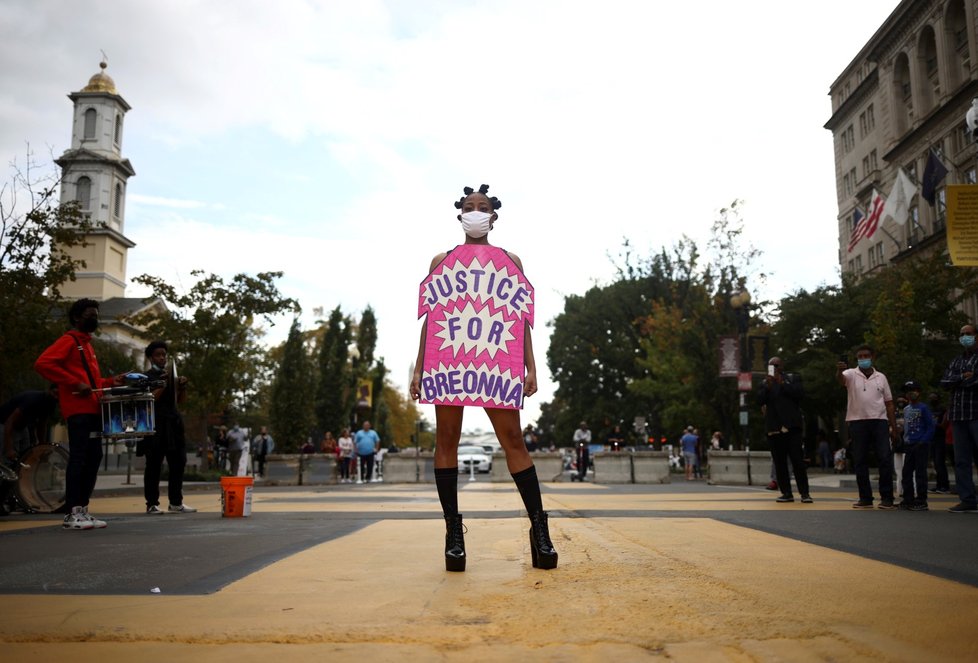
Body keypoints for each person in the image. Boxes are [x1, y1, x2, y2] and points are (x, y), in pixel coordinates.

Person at [410, 184, 556, 572]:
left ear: (494, 216)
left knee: (513, 440)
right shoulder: (442, 260)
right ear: (460, 214)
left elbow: (520, 318)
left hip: (495, 360)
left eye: (484, 207)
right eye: (470, 206)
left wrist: (531, 365)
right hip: (450, 359)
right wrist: (419, 365)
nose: (477, 212)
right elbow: (432, 318)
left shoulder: (511, 260)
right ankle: (453, 533)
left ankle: (539, 529)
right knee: (447, 440)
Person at [34, 298, 125, 530]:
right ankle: (71, 513)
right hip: (78, 411)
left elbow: (92, 383)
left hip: (93, 410)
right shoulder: (69, 340)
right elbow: (43, 363)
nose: (94, 318)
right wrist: (74, 382)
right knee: (80, 458)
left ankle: (83, 510)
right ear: (76, 318)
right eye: (89, 314)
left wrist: (111, 382)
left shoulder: (87, 344)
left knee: (94, 458)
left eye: (96, 314)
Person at [836, 345, 898, 509]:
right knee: (860, 460)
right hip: (858, 422)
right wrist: (839, 370)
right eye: (860, 357)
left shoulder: (881, 377)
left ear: (873, 357)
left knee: (884, 458)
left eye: (866, 356)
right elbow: (841, 380)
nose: (863, 359)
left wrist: (894, 427)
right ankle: (865, 498)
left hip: (879, 421)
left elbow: (889, 403)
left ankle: (887, 498)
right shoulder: (850, 374)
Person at [141, 341, 196, 515]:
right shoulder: (146, 377)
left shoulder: (170, 375)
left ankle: (176, 502)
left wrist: (181, 387)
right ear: (150, 358)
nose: (162, 358)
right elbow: (151, 399)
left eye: (164, 354)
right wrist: (162, 384)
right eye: (158, 355)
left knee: (178, 462)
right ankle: (152, 503)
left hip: (173, 424)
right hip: (155, 424)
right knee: (154, 465)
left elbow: (180, 401)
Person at [757, 356, 812, 503]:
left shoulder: (793, 378)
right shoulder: (764, 383)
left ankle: (805, 493)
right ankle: (786, 493)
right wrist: (767, 387)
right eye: (770, 365)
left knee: (797, 462)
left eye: (776, 365)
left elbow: (800, 394)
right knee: (779, 463)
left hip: (792, 427)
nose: (773, 368)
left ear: (781, 366)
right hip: (774, 428)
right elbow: (759, 401)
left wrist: (782, 383)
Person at [941, 323, 978, 513]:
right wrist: (964, 378)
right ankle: (967, 500)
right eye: (962, 334)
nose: (965, 337)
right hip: (958, 416)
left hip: (976, 414)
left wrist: (962, 380)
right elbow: (945, 381)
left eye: (969, 334)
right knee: (961, 460)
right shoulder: (956, 360)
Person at [1, 386, 58, 473]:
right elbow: (10, 421)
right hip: (5, 424)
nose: (56, 396)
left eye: (59, 395)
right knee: (9, 459)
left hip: (23, 427)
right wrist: (9, 449)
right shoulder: (33, 399)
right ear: (48, 390)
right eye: (55, 393)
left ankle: (18, 481)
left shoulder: (51, 404)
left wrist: (42, 446)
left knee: (26, 455)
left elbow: (42, 425)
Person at [899, 381, 935, 511]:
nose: (910, 393)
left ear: (919, 392)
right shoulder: (906, 409)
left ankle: (921, 500)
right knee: (906, 472)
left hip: (921, 444)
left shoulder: (923, 408)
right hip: (909, 444)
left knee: (920, 473)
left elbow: (931, 427)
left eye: (913, 390)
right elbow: (907, 427)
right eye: (908, 391)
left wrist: (924, 440)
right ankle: (908, 498)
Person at [927, 393, 950, 494]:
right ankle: (939, 485)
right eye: (930, 398)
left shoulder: (943, 409)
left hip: (940, 438)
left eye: (934, 397)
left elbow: (944, 424)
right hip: (932, 438)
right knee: (936, 463)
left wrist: (935, 424)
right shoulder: (929, 409)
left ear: (938, 399)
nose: (932, 399)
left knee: (940, 462)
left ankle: (944, 486)